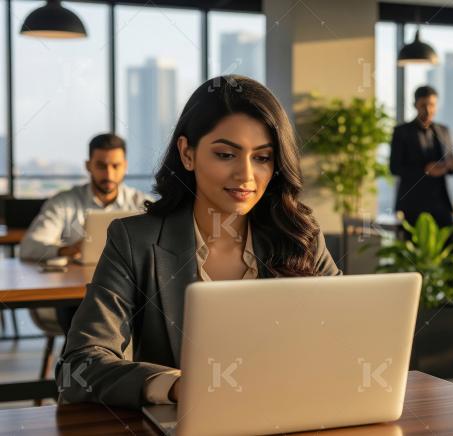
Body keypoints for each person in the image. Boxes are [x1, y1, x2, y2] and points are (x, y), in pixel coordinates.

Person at [56, 76, 341, 409]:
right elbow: (78, 366)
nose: (246, 176)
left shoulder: (299, 237)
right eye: (225, 154)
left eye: (262, 158)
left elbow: (343, 342)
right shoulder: (135, 241)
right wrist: (176, 386)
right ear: (187, 153)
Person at [20, 133, 150, 261]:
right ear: (88, 166)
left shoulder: (142, 203)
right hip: (78, 280)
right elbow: (28, 247)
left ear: (125, 166)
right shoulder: (63, 203)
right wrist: (66, 250)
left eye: (115, 166)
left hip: (129, 280)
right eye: (101, 166)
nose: (109, 174)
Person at [389, 86, 453, 230]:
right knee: (414, 249)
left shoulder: (444, 130)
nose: (428, 110)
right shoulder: (401, 132)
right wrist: (425, 170)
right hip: (412, 203)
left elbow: (451, 168)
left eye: (432, 105)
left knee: (451, 246)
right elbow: (394, 167)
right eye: (423, 105)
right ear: (415, 105)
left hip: (441, 202)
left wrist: (451, 165)